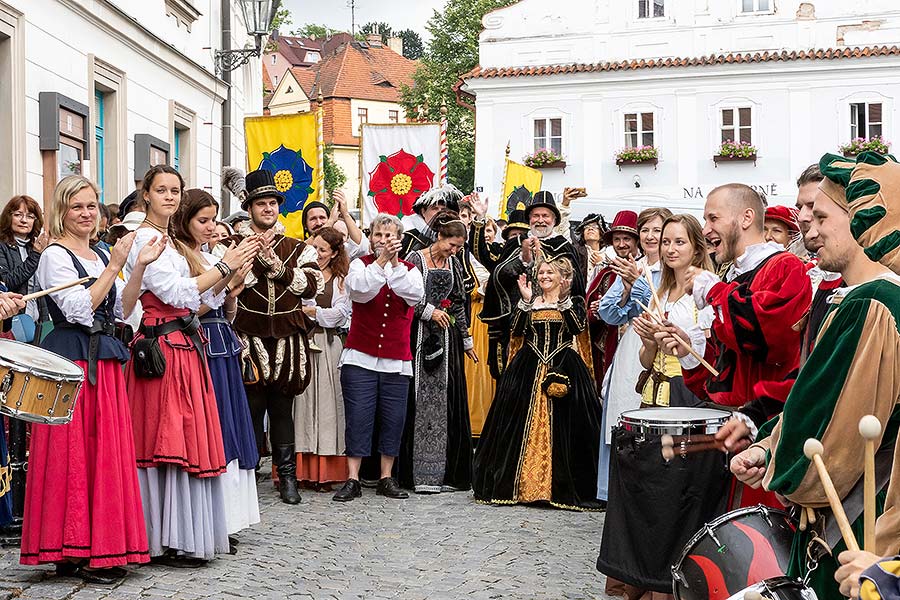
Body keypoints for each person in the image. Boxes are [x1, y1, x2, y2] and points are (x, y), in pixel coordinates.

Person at [729, 152, 900, 600]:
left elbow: (830, 436)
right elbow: (813, 400)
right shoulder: (856, 299)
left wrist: (778, 466)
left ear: (860, 220)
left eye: (822, 216)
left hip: (859, 529)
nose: (809, 228)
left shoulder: (874, 305)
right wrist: (768, 447)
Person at [21, 175, 157, 583]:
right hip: (72, 361)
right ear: (62, 211)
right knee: (73, 455)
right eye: (77, 206)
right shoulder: (55, 256)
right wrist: (116, 263)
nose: (86, 213)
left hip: (104, 359)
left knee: (104, 452)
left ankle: (100, 545)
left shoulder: (99, 254)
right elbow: (80, 308)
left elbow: (123, 311)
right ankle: (72, 548)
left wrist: (136, 269)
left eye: (91, 206)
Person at [125, 165, 259, 565]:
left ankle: (178, 533)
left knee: (185, 434)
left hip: (185, 343)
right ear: (145, 194)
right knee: (165, 437)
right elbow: (176, 291)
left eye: (175, 191)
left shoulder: (168, 240)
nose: (169, 196)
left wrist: (227, 275)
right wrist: (223, 266)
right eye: (161, 190)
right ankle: (161, 536)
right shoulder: (144, 239)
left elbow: (200, 300)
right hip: (161, 346)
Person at [224, 169, 323, 505]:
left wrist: (278, 267)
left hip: (287, 339)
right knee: (250, 410)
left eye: (272, 203)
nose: (268, 208)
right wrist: (253, 257)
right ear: (248, 207)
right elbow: (230, 284)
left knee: (283, 409)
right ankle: (249, 477)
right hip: (248, 339)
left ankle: (287, 477)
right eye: (261, 203)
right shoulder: (233, 247)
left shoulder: (298, 247)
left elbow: (311, 286)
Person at [473, 256, 602, 510]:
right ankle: (521, 488)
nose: (543, 276)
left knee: (569, 429)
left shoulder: (573, 302)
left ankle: (557, 488)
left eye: (549, 273)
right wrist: (524, 300)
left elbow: (578, 328)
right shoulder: (532, 302)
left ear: (563, 278)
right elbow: (517, 331)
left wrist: (564, 301)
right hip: (528, 366)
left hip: (563, 364)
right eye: (541, 272)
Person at [173, 189, 260, 541]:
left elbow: (224, 308)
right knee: (215, 427)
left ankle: (231, 516)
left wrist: (232, 284)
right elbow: (192, 308)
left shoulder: (206, 255)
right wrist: (228, 275)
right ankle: (216, 515)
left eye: (212, 220)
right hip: (201, 344)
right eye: (203, 221)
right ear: (186, 220)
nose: (210, 228)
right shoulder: (181, 256)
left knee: (231, 425)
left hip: (222, 340)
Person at [331, 214, 424, 502]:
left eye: (389, 236)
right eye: (378, 236)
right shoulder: (360, 266)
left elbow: (412, 295)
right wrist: (382, 261)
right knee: (358, 418)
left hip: (397, 360)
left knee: (393, 419)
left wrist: (393, 263)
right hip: (360, 357)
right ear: (371, 238)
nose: (383, 241)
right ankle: (353, 478)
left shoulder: (410, 270)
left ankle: (386, 477)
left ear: (400, 240)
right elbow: (360, 293)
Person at [400, 214, 476, 494]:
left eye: (458, 247)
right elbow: (403, 294)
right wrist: (428, 311)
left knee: (448, 399)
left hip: (447, 339)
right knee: (415, 397)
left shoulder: (454, 263)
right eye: (451, 245)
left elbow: (458, 303)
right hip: (416, 336)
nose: (454, 250)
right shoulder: (415, 259)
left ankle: (444, 474)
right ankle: (413, 473)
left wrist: (466, 339)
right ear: (439, 237)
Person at [633, 214, 714, 408]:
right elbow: (646, 362)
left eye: (679, 242)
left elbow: (713, 355)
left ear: (696, 249)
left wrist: (684, 343)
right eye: (666, 242)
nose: (670, 249)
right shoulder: (659, 293)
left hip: (688, 394)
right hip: (652, 393)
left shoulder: (707, 290)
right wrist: (650, 343)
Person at [294, 226, 352, 490]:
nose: (316, 254)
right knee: (302, 405)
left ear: (334, 253)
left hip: (325, 343)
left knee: (328, 406)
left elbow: (339, 314)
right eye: (313, 248)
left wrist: (312, 311)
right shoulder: (298, 275)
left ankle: (325, 470)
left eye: (322, 250)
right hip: (300, 343)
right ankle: (300, 469)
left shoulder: (339, 279)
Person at [468, 202, 530, 380]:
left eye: (521, 235)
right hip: (501, 324)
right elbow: (478, 250)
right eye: (513, 235)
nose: (518, 239)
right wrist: (480, 219)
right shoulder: (500, 254)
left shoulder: (538, 255)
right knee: (501, 373)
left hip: (529, 323)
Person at [586, 209, 640, 392]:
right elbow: (587, 312)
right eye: (617, 239)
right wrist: (595, 311)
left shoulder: (647, 269)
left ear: (636, 241)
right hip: (608, 345)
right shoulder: (605, 273)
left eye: (627, 239)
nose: (621, 244)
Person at [0, 195, 48, 327]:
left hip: (37, 321)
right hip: (13, 322)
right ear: (8, 217)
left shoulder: (34, 246)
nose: (24, 220)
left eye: (30, 216)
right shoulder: (2, 246)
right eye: (18, 214)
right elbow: (7, 282)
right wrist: (35, 255)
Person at [400, 184, 462, 257]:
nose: (439, 212)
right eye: (435, 208)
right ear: (423, 211)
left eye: (443, 209)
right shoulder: (408, 238)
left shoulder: (454, 236)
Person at [573, 213, 608, 282]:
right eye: (587, 227)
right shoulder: (575, 251)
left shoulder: (609, 255)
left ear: (601, 233)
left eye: (595, 226)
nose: (590, 228)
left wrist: (601, 264)